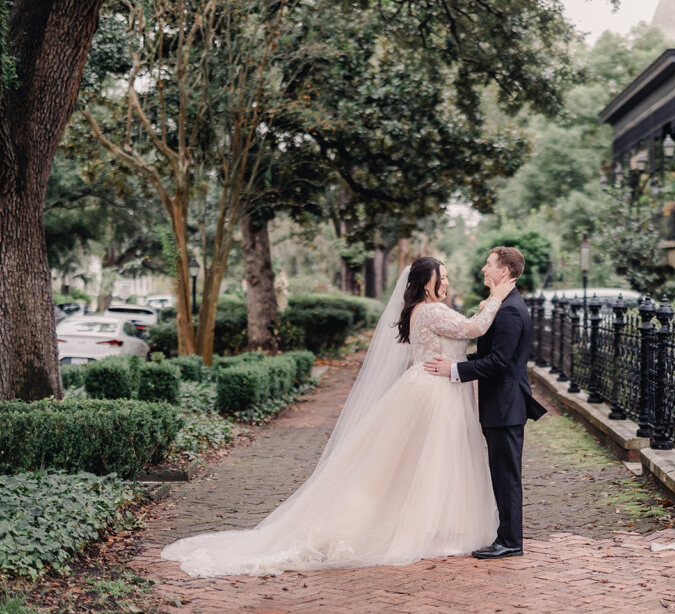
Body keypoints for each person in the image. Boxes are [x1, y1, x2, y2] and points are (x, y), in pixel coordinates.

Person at [161, 257, 517, 576]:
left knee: (420, 463)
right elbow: (474, 329)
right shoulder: (431, 310)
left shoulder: (424, 310)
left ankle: (432, 523)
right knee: (428, 461)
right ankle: (421, 528)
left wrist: (488, 304)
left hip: (432, 387)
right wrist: (497, 298)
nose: (448, 282)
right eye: (444, 276)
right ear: (428, 282)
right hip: (435, 393)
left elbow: (465, 328)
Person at [425, 246, 546, 560]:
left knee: (506, 476)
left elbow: (499, 362)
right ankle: (505, 536)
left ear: (503, 271)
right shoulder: (504, 305)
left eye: (489, 264)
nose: (483, 268)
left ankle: (510, 541)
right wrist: (457, 361)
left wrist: (454, 369)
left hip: (506, 406)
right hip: (500, 405)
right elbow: (490, 356)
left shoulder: (509, 309)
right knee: (502, 474)